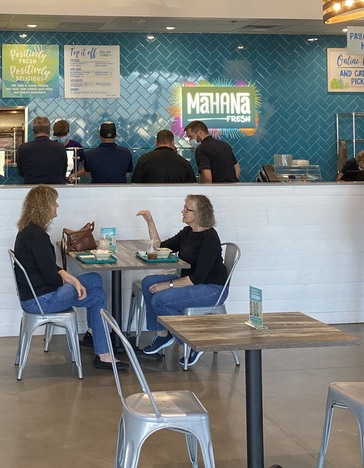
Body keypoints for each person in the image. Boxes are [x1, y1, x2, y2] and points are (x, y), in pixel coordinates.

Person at [12, 185, 126, 371]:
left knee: (95, 279)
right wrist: (70, 281)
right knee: (97, 295)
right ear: (43, 207)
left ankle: (93, 334)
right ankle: (104, 353)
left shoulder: (28, 231)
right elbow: (51, 278)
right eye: (54, 203)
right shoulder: (37, 236)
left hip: (35, 296)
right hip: (42, 301)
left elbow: (48, 267)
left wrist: (71, 279)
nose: (57, 206)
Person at [137, 195, 229, 367]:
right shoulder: (188, 232)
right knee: (148, 282)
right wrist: (150, 221)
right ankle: (163, 334)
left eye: (187, 209)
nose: (182, 211)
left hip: (211, 288)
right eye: (184, 207)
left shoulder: (209, 237)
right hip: (192, 282)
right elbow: (160, 248)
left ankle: (194, 342)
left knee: (159, 299)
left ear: (200, 214)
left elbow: (197, 278)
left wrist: (168, 285)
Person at [15, 116, 68, 184]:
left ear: (33, 131)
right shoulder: (60, 147)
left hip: (32, 188)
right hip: (55, 188)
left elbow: (21, 172)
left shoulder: (23, 148)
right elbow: (63, 171)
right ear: (49, 130)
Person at [132, 129, 197, 184]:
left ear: (156, 143)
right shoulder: (183, 162)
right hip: (176, 195)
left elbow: (135, 184)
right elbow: (192, 186)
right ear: (173, 142)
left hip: (150, 195)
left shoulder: (144, 160)